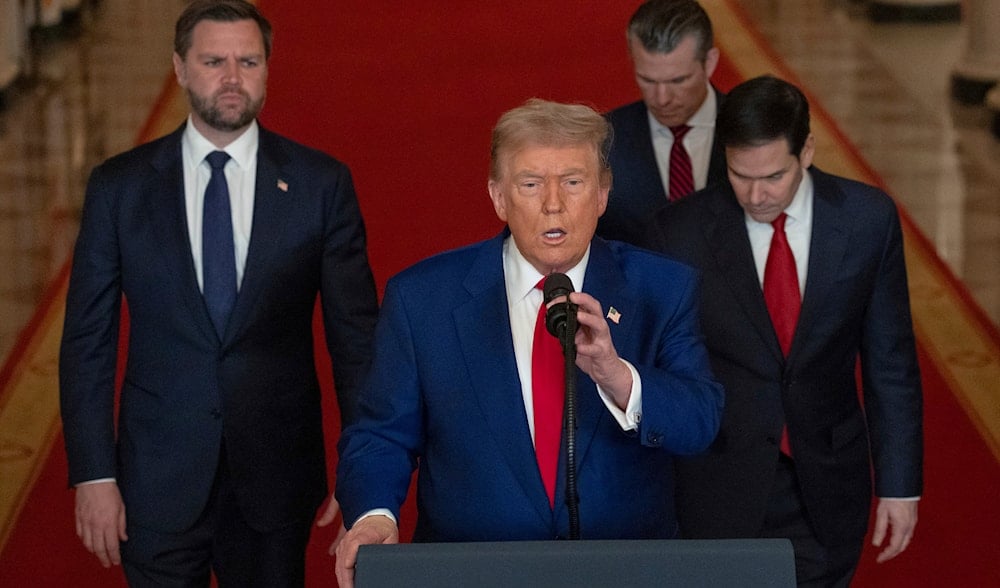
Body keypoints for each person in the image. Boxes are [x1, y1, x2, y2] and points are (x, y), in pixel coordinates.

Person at [333, 99, 724, 587]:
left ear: (603, 195)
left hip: (624, 574)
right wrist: (374, 516)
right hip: (470, 575)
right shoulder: (422, 298)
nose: (554, 204)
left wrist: (617, 376)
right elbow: (381, 434)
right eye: (531, 184)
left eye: (574, 182)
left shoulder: (662, 289)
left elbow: (701, 422)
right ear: (499, 197)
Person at [58, 1, 378, 585]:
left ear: (266, 68)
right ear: (179, 68)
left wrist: (364, 469)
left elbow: (354, 339)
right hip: (154, 478)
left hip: (275, 479)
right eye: (213, 61)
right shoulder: (119, 188)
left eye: (248, 61)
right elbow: (87, 342)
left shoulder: (320, 184)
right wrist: (93, 473)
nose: (232, 78)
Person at [644, 75, 923, 586]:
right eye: (739, 175)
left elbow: (891, 363)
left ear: (807, 151)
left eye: (772, 176)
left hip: (827, 482)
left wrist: (899, 486)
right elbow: (662, 370)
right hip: (718, 485)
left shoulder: (867, 220)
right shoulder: (679, 232)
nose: (755, 195)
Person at [597, 0, 728, 245]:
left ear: (709, 63)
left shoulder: (754, 131)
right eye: (647, 80)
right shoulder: (603, 140)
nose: (662, 99)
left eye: (678, 81)